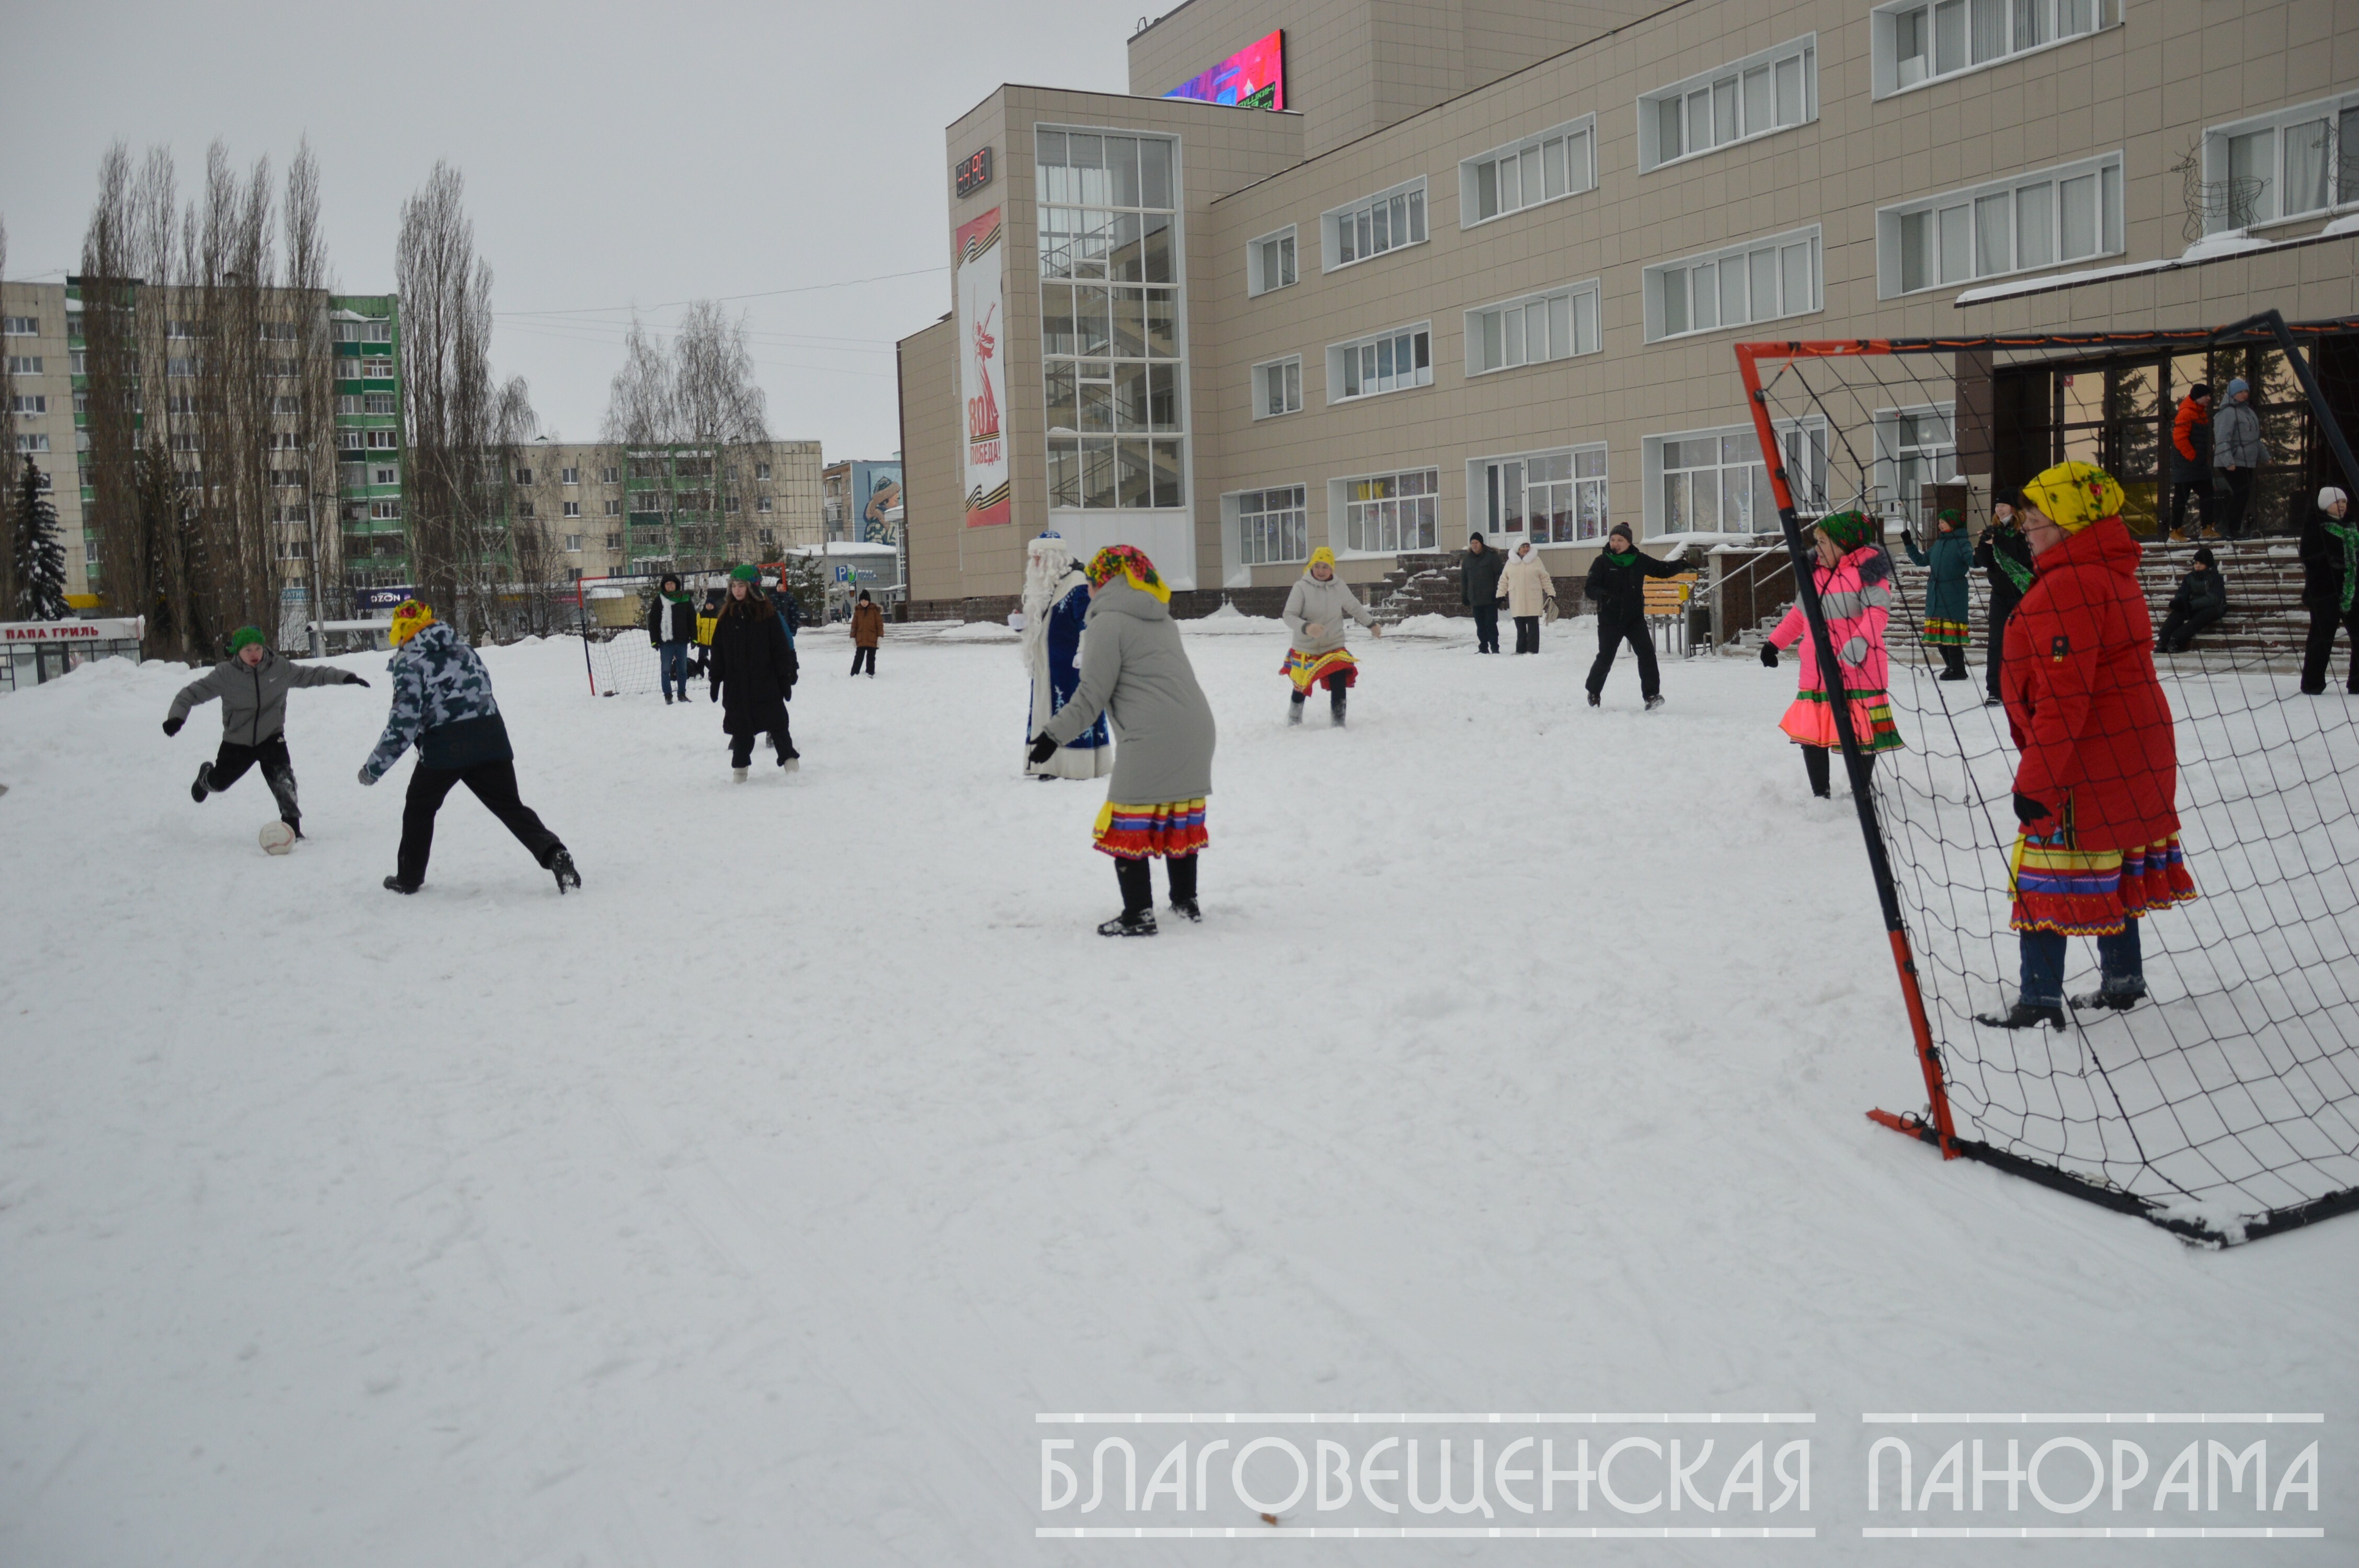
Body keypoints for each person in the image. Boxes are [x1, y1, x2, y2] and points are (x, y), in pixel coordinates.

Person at [1976, 462, 2196, 1030]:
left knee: (2044, 870)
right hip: (2130, 748)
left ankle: (2039, 999)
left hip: (2088, 756)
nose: (2026, 529)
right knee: (2110, 858)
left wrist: (2038, 781)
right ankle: (2123, 983)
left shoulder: (2071, 584)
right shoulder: (2106, 571)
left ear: (2069, 524)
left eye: (2035, 520)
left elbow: (2065, 698)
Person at [1028, 545, 1217, 936]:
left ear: (1105, 582)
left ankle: (1138, 914)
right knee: (1177, 811)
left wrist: (1051, 735)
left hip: (1152, 736)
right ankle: (1186, 903)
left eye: (1091, 581)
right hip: (1196, 729)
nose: (1088, 589)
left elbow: (1090, 696)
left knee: (1125, 821)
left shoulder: (1107, 623)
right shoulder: (1162, 619)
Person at [359, 599, 578, 895]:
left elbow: (403, 724)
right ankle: (555, 854)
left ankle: (408, 879)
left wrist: (373, 768)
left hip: (445, 747)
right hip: (491, 738)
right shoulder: (465, 649)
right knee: (510, 807)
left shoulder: (409, 662)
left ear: (401, 629)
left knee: (419, 807)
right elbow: (484, 691)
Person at [164, 624, 370, 841]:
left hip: (271, 737)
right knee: (220, 783)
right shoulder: (225, 675)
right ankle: (205, 779)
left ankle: (292, 829)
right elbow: (190, 694)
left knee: (284, 782)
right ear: (238, 652)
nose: (254, 654)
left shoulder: (279, 669)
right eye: (248, 650)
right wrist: (176, 718)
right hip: (238, 742)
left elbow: (313, 675)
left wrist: (346, 677)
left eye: (258, 648)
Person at [1758, 511, 1906, 796]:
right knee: (1812, 733)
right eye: (1817, 542)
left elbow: (1877, 614)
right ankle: (1820, 793)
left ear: (1843, 544)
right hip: (1817, 672)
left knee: (1861, 733)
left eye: (1824, 542)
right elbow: (1799, 616)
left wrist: (1860, 641)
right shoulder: (1814, 575)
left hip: (1858, 670)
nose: (1818, 549)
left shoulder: (1869, 573)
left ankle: (1860, 790)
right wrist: (1774, 644)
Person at [1021, 531, 1112, 779]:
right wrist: (1023, 625)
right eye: (1033, 557)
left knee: (1068, 713)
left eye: (1039, 557)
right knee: (1047, 712)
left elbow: (1090, 621)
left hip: (1071, 668)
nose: (1035, 563)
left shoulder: (1077, 584)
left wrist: (1085, 652)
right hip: (1046, 667)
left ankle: (1073, 764)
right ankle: (1047, 764)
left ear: (1053, 557)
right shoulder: (1047, 586)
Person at [1583, 522, 1698, 709]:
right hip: (1610, 620)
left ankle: (1651, 696)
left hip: (1634, 619)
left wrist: (1679, 565)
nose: (1615, 544)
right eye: (1613, 540)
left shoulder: (1638, 560)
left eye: (1620, 540)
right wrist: (1604, 596)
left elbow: (1661, 570)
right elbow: (1590, 587)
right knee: (1606, 657)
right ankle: (1594, 692)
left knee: (1647, 654)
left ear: (1629, 542)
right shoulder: (1602, 562)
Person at [707, 563, 799, 780]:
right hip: (737, 686)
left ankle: (791, 765)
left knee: (778, 725)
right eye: (734, 586)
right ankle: (740, 770)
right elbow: (718, 650)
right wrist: (716, 678)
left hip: (765, 683)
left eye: (742, 586)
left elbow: (780, 648)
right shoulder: (726, 617)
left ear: (752, 588)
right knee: (741, 730)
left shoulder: (767, 615)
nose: (737, 590)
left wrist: (785, 676)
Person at [1281, 546, 1381, 727]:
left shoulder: (1339, 587)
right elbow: (1289, 616)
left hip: (1333, 645)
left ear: (1332, 568)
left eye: (1325, 567)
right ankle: (1294, 722)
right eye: (1317, 566)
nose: (1321, 571)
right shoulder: (1301, 587)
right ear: (1312, 566)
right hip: (1306, 647)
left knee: (1339, 681)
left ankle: (1338, 723)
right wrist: (1307, 627)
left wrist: (1371, 624)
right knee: (1301, 686)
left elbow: (1355, 607)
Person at [1973, 501, 2035, 709]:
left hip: (2024, 594)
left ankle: (2028, 688)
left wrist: (1998, 539)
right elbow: (1983, 562)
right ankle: (1995, 690)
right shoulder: (1994, 530)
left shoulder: (2025, 530)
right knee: (1996, 643)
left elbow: (2023, 556)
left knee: (2026, 643)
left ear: (2014, 508)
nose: (1999, 510)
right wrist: (1984, 543)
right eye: (1997, 506)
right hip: (2000, 595)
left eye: (2003, 506)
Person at [1900, 508, 1974, 681]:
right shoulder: (1939, 544)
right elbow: (1921, 561)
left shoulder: (1963, 543)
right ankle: (1950, 666)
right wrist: (1909, 543)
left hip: (1953, 596)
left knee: (1952, 636)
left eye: (1943, 521)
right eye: (1939, 522)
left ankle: (1959, 669)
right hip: (1935, 596)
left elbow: (1973, 561)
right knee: (1939, 636)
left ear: (1953, 523)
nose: (1940, 524)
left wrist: (1984, 549)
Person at [2299, 485, 2357, 695]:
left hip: (2352, 591)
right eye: (2336, 502)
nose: (2341, 505)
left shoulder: (2352, 526)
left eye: (2344, 501)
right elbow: (2308, 555)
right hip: (2325, 591)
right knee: (2322, 638)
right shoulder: (2316, 525)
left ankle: (2357, 683)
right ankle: (2312, 683)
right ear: (2325, 504)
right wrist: (2330, 563)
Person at [2211, 377, 2270, 539]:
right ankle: (2223, 525)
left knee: (2244, 493)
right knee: (2241, 492)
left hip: (2247, 462)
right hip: (2232, 460)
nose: (2244, 394)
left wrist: (2265, 455)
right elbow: (2222, 439)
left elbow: (2255, 439)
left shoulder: (2249, 412)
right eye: (2240, 392)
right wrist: (2228, 461)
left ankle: (2233, 529)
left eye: (2246, 391)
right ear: (2232, 393)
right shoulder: (2226, 413)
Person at [2154, 546, 2229, 654]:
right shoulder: (2190, 577)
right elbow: (2183, 592)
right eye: (2196, 563)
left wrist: (2191, 605)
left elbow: (2214, 599)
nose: (2197, 566)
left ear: (2208, 564)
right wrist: (2177, 601)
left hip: (2215, 608)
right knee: (2178, 613)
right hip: (2194, 605)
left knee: (2201, 617)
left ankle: (2176, 640)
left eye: (2201, 564)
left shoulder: (2216, 578)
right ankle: (2163, 640)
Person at [2165, 383, 2212, 541]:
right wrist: (2193, 457)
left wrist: (2201, 459)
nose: (2209, 398)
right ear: (2197, 397)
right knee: (2181, 497)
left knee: (2208, 495)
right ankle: (2175, 530)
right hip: (2185, 465)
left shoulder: (2202, 414)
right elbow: (2179, 439)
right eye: (2206, 395)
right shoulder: (2186, 413)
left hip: (2198, 464)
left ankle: (2207, 528)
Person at [646, 573, 696, 704]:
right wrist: (654, 640)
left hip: (682, 640)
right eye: (667, 584)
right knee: (666, 670)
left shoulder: (685, 599)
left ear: (676, 585)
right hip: (666, 642)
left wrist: (694, 638)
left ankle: (682, 694)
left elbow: (692, 619)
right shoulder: (659, 600)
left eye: (672, 584)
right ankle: (668, 695)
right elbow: (654, 621)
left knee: (682, 670)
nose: (670, 586)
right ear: (664, 586)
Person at [1499, 538, 1555, 653]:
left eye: (1527, 546)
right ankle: (1520, 649)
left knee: (1533, 626)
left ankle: (1532, 650)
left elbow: (1545, 578)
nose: (1526, 549)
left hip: (1533, 599)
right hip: (1517, 599)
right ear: (1518, 549)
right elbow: (1504, 580)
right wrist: (1500, 594)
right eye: (1523, 547)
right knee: (1520, 627)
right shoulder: (1510, 563)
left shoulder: (1536, 561)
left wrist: (1551, 592)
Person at [1461, 532, 1506, 653]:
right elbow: (1464, 579)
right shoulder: (1467, 559)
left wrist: (1498, 593)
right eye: (1472, 543)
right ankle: (1483, 647)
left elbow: (1499, 575)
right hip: (1475, 598)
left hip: (1490, 598)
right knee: (1480, 625)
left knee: (1491, 624)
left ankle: (1495, 647)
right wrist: (1465, 596)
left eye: (1477, 543)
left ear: (1481, 543)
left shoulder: (1492, 556)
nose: (1474, 545)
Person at [849, 589, 883, 676]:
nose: (864, 603)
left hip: (872, 639)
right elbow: (854, 626)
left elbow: (880, 625)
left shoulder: (875, 611)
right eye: (862, 601)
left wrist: (880, 637)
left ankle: (870, 673)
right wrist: (853, 637)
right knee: (859, 657)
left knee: (871, 658)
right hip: (861, 639)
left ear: (869, 601)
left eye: (865, 600)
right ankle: (854, 673)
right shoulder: (858, 612)